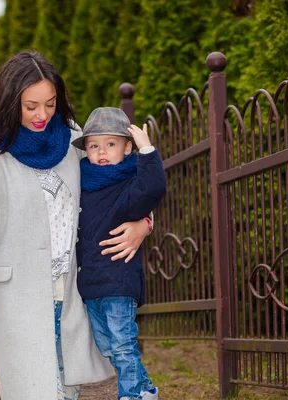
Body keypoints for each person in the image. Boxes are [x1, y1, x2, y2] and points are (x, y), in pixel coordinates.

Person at [0, 52, 152, 400]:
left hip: (76, 294)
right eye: (31, 106)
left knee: (67, 391)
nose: (42, 115)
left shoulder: (74, 142)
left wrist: (144, 222)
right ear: (9, 102)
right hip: (21, 300)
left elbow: (119, 185)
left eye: (50, 104)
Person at [71, 107, 167, 400]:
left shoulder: (129, 185)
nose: (102, 151)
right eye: (94, 145)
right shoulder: (81, 184)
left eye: (111, 144)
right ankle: (145, 388)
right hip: (91, 285)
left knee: (124, 344)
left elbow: (154, 189)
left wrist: (147, 150)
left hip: (120, 280)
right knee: (108, 345)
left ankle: (131, 395)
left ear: (127, 148)